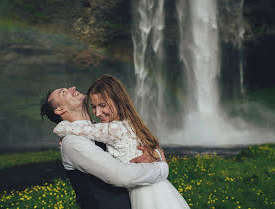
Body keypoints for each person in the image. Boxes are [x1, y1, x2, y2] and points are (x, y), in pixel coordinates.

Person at [53, 74, 190, 209]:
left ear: (117, 102)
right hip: (148, 187)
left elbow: (86, 130)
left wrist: (63, 129)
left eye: (102, 105)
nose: (97, 112)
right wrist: (161, 165)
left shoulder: (112, 128)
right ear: (59, 110)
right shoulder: (77, 139)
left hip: (144, 190)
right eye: (94, 107)